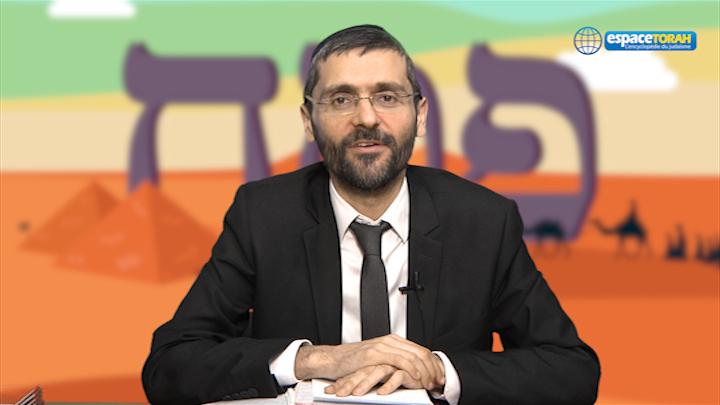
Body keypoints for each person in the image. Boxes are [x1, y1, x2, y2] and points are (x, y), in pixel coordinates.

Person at [142, 25, 600, 405]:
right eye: (341, 99)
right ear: (308, 121)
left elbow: (572, 370)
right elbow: (170, 366)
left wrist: (439, 371)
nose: (366, 118)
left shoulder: (484, 220)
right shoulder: (262, 215)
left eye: (387, 97)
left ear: (420, 115)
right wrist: (316, 360)